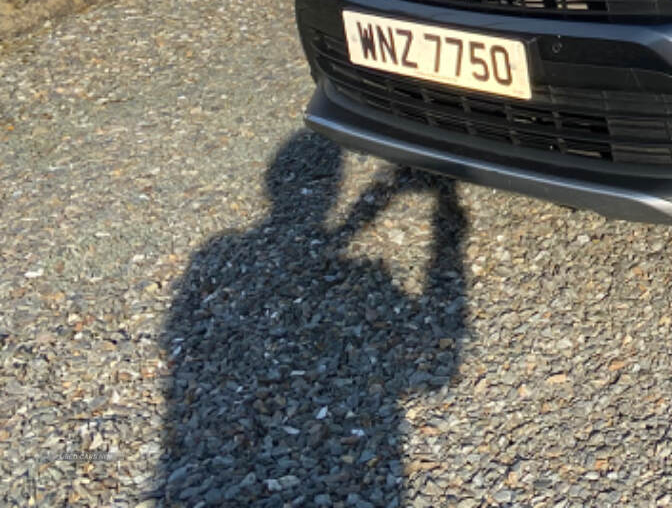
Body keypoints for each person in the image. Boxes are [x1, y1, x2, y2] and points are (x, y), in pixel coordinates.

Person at [156, 134, 468, 507]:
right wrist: (446, 222)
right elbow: (436, 363)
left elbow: (181, 339)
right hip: (365, 456)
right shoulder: (359, 278)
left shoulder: (219, 253)